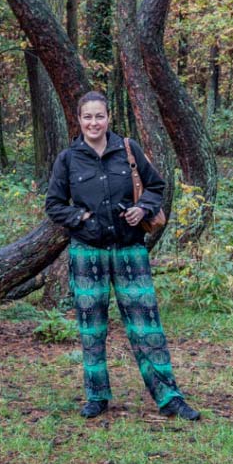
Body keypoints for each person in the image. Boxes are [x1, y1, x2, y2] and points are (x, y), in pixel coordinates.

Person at [44, 90, 200, 421]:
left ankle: (168, 396)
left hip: (130, 250)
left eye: (99, 116)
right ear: (79, 119)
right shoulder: (68, 159)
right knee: (92, 326)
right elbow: (54, 205)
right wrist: (81, 218)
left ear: (109, 118)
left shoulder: (127, 150)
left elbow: (156, 187)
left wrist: (141, 208)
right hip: (88, 253)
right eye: (87, 117)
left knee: (146, 326)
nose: (93, 122)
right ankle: (96, 396)